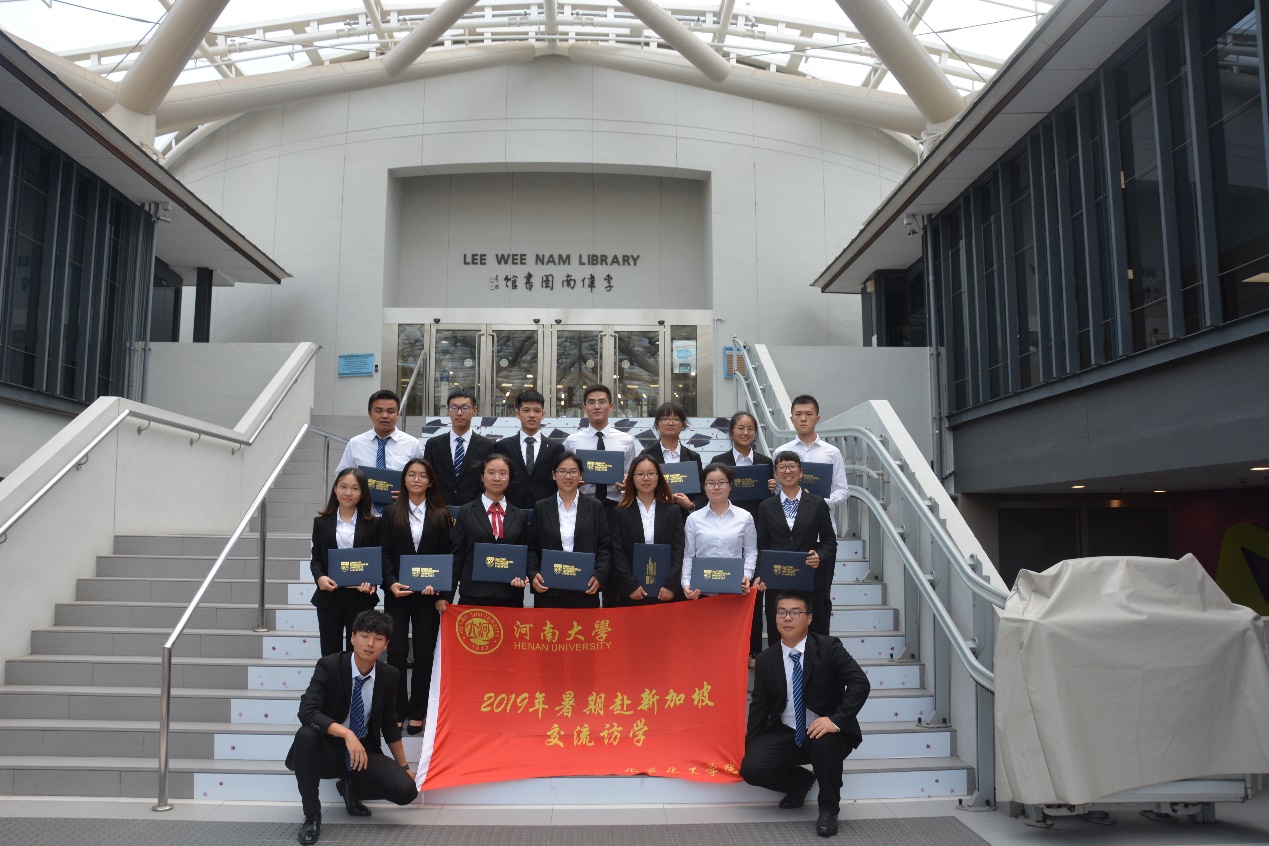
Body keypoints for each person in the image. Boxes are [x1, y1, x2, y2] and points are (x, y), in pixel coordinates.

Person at [740, 592, 869, 838]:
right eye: (782, 612)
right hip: (787, 731)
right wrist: (752, 746)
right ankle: (799, 782)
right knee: (751, 768)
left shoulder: (829, 647)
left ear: (809, 618)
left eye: (795, 613)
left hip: (824, 729)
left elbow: (859, 683)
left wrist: (836, 721)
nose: (787, 618)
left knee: (824, 742)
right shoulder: (767, 659)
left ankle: (829, 810)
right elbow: (759, 706)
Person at [286, 609, 418, 845]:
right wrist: (346, 734)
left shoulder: (389, 675)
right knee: (306, 735)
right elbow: (307, 711)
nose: (370, 644)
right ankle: (312, 815)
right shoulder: (329, 665)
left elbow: (389, 722)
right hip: (327, 747)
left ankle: (351, 787)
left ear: (386, 644)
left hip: (362, 751)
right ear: (353, 637)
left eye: (378, 639)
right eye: (365, 636)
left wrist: (404, 766)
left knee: (406, 791)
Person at [380, 458, 451, 735]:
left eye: (422, 475)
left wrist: (440, 587)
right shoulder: (390, 513)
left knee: (423, 651)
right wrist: (391, 583)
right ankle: (397, 709)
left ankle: (418, 710)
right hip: (398, 593)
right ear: (404, 480)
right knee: (396, 650)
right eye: (411, 475)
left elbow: (446, 553)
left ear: (430, 481)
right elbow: (385, 552)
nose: (417, 479)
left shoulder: (441, 514)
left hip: (427, 595)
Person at [562, 384, 638, 607]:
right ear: (584, 407)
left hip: (616, 508)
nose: (597, 406)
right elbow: (565, 474)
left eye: (602, 402)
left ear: (611, 406)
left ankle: (612, 615)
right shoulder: (572, 441)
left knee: (615, 563)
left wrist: (627, 484)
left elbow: (631, 476)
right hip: (584, 508)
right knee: (586, 559)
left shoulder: (626, 441)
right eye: (592, 402)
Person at [757, 452, 838, 643]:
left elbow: (829, 541)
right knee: (779, 635)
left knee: (813, 633)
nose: (787, 471)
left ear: (801, 472)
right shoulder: (766, 506)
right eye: (782, 467)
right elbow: (762, 544)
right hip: (777, 580)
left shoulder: (817, 503)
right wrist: (761, 574)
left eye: (792, 467)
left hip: (808, 578)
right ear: (776, 474)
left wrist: (820, 556)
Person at [712, 411, 774, 658]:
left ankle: (753, 651)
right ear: (731, 431)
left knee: (752, 593)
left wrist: (774, 488)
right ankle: (724, 649)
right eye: (740, 428)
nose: (745, 433)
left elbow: (773, 499)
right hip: (725, 529)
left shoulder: (765, 463)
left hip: (756, 527)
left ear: (756, 432)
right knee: (724, 589)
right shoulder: (720, 460)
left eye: (750, 428)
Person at [442, 453, 530, 609]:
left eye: (503, 473)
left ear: (509, 478)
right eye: (491, 472)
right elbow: (458, 555)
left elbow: (523, 555)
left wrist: (523, 576)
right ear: (482, 477)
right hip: (474, 595)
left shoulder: (519, 515)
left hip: (509, 595)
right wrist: (446, 596)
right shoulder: (466, 511)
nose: (497, 478)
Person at [310, 468, 380, 657]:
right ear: (335, 489)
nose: (348, 493)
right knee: (329, 652)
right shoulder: (321, 523)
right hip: (329, 596)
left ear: (362, 493)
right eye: (343, 487)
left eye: (355, 488)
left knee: (358, 653)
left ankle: (355, 679)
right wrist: (320, 578)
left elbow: (377, 559)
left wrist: (372, 582)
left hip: (360, 596)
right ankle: (331, 679)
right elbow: (316, 559)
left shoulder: (373, 524)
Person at [527, 452, 610, 608]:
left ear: (580, 475)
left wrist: (600, 575)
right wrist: (533, 573)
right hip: (548, 589)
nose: (568, 476)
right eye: (562, 471)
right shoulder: (541, 507)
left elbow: (604, 547)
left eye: (573, 472)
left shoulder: (595, 506)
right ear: (554, 475)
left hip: (585, 588)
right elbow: (533, 547)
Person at [609, 455, 685, 606]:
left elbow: (679, 550)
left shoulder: (673, 511)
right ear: (632, 478)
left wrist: (670, 585)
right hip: (631, 594)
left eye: (651, 473)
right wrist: (631, 586)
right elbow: (617, 552)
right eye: (640, 474)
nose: (646, 478)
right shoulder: (620, 512)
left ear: (658, 477)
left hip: (666, 593)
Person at [335, 390, 422, 515]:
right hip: (363, 514)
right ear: (370, 414)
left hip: (400, 514)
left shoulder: (412, 444)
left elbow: (422, 478)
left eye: (390, 411)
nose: (385, 416)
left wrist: (409, 493)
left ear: (398, 414)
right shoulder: (355, 443)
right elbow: (341, 477)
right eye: (378, 411)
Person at [681, 463, 760, 599]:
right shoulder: (693, 519)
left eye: (722, 482)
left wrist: (746, 575)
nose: (716, 487)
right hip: (702, 591)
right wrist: (686, 583)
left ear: (730, 486)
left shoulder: (745, 517)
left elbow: (751, 551)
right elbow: (689, 554)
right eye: (711, 483)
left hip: (735, 588)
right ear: (704, 487)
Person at [770, 393, 849, 517]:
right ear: (791, 419)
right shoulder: (780, 452)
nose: (803, 418)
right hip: (788, 519)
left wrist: (821, 503)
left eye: (808, 414)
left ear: (817, 418)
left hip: (821, 518)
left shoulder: (832, 452)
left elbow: (842, 489)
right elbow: (778, 487)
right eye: (798, 414)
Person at [422, 387, 494, 506]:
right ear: (448, 411)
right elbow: (427, 477)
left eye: (465, 408)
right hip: (439, 509)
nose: (459, 413)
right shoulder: (433, 445)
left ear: (474, 410)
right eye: (454, 408)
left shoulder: (487, 446)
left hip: (474, 509)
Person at [495, 389, 563, 509]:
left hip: (545, 511)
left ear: (542, 415)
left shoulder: (556, 449)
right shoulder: (502, 446)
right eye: (526, 410)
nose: (532, 415)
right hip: (510, 510)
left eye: (537, 411)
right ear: (517, 414)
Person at [637, 401, 701, 511]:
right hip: (653, 513)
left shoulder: (693, 457)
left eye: (676, 419)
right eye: (665, 419)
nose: (670, 423)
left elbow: (702, 492)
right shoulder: (646, 456)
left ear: (683, 425)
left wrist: (691, 505)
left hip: (684, 515)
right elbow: (638, 487)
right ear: (657, 425)